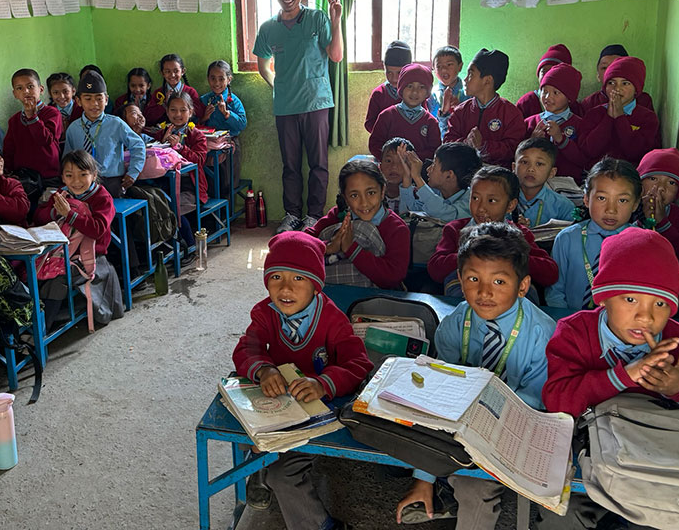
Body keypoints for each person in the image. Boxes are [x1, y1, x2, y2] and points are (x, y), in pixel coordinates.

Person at [538, 227, 679, 530]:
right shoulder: (575, 332)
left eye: (660, 303)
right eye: (630, 299)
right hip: (593, 458)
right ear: (603, 298)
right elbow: (557, 401)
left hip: (664, 464)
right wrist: (623, 376)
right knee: (561, 516)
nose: (646, 317)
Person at [397, 223, 556, 528]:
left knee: (473, 487)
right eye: (473, 279)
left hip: (514, 428)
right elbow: (440, 394)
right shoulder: (455, 324)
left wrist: (482, 421)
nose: (484, 292)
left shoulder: (542, 334)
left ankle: (455, 493)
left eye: (499, 281)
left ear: (523, 286)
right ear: (459, 279)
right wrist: (423, 477)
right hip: (458, 424)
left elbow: (533, 404)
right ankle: (434, 486)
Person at [233, 232, 372, 530]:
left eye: (298, 278)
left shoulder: (332, 319)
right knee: (245, 430)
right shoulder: (264, 313)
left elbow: (359, 364)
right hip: (278, 405)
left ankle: (317, 522)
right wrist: (264, 370)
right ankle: (258, 468)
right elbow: (247, 348)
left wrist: (324, 383)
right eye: (276, 277)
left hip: (319, 411)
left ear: (316, 284)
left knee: (282, 475)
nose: (285, 288)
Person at [254, 0, 342, 234]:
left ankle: (314, 216)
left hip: (316, 103)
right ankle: (292, 214)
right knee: (290, 165)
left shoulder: (317, 19)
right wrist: (277, 87)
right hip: (285, 107)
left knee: (318, 164)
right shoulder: (269, 28)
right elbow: (263, 65)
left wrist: (336, 21)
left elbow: (336, 55)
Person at [427, 166, 558, 297]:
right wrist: (472, 253)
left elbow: (550, 273)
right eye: (475, 198)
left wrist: (509, 256)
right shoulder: (456, 229)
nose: (481, 208)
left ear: (510, 205)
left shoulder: (520, 234)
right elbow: (435, 269)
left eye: (491, 201)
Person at [34, 150, 124, 330]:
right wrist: (55, 211)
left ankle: (42, 331)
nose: (76, 181)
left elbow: (97, 230)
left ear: (94, 175)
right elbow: (38, 216)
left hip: (90, 257)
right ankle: (34, 322)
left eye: (83, 175)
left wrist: (69, 214)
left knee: (56, 279)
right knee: (31, 273)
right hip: (61, 252)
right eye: (69, 175)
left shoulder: (102, 198)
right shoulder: (62, 194)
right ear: (62, 177)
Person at [545, 158, 641, 309]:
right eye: (602, 198)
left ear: (635, 204)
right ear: (586, 199)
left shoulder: (641, 244)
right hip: (570, 319)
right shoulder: (567, 239)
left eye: (622, 200)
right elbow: (555, 292)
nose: (611, 210)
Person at [305, 159, 411, 289]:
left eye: (371, 193)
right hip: (331, 292)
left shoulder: (397, 228)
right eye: (354, 195)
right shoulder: (338, 215)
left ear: (382, 191)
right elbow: (300, 243)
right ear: (345, 198)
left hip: (377, 297)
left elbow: (393, 277)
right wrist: (327, 247)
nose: (364, 203)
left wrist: (351, 248)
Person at [63, 72, 146, 198]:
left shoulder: (116, 124)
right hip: (81, 183)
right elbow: (67, 159)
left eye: (99, 98)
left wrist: (133, 172)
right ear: (78, 101)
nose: (94, 103)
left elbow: (138, 145)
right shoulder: (73, 129)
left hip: (111, 182)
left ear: (106, 100)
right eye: (88, 99)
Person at [445, 49, 525, 167]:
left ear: (487, 80)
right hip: (463, 172)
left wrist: (483, 146)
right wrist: (465, 143)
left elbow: (514, 149)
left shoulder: (511, 113)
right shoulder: (461, 111)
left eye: (471, 74)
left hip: (496, 174)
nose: (465, 79)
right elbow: (447, 142)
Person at [580, 57, 660, 166]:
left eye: (625, 83)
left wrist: (620, 117)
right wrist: (608, 118)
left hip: (631, 173)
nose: (617, 88)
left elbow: (635, 153)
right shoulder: (594, 114)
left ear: (636, 89)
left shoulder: (647, 118)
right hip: (596, 173)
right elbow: (589, 150)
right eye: (611, 83)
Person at [524, 62, 589, 181]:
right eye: (544, 91)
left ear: (569, 98)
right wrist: (532, 141)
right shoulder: (530, 123)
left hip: (568, 183)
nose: (547, 97)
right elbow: (518, 156)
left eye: (555, 92)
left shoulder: (580, 125)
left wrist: (561, 139)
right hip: (534, 183)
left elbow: (582, 160)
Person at [636, 148, 679, 266]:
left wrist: (662, 224)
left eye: (671, 183)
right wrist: (641, 220)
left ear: (677, 193)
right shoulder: (625, 209)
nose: (661, 188)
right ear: (639, 183)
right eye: (653, 179)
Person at [368, 63, 441, 161]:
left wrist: (410, 157)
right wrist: (393, 158)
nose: (415, 92)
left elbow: (435, 150)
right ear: (401, 89)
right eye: (410, 86)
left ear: (427, 93)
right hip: (390, 168)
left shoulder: (431, 122)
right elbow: (375, 144)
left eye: (421, 87)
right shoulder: (386, 116)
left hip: (419, 169)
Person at [149, 90, 209, 210]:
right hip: (164, 183)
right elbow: (151, 157)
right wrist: (162, 144)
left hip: (189, 186)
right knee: (155, 204)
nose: (178, 114)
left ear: (190, 112)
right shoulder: (161, 134)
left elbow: (199, 160)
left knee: (170, 207)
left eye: (183, 110)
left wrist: (180, 147)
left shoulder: (197, 135)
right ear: (167, 112)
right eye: (173, 110)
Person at [3, 68, 63, 184]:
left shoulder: (52, 113)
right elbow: (9, 150)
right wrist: (8, 171)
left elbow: (46, 139)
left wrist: (32, 117)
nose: (26, 91)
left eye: (30, 86)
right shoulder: (14, 120)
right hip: (23, 177)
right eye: (19, 88)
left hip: (48, 176)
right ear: (15, 94)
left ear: (41, 89)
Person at [395, 141, 481, 220]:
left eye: (434, 165)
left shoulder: (471, 200)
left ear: (449, 175)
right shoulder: (436, 191)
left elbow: (444, 214)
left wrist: (417, 177)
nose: (428, 169)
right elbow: (410, 210)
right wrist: (407, 176)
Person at [199, 60, 247, 192]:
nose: (216, 83)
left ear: (229, 79)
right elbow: (194, 123)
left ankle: (227, 205)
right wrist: (204, 118)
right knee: (210, 183)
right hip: (208, 145)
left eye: (221, 79)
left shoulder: (233, 101)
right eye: (213, 78)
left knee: (227, 183)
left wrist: (227, 114)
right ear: (208, 79)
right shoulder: (204, 100)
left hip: (229, 145)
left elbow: (242, 124)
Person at [513, 138, 577, 226]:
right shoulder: (502, 199)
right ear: (514, 167)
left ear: (552, 172)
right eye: (524, 162)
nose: (530, 169)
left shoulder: (563, 207)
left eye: (539, 164)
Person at [577, 44, 655, 114]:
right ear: (598, 76)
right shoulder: (589, 103)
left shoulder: (643, 101)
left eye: (616, 67)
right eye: (604, 68)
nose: (611, 71)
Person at [364, 40, 412, 132]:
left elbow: (424, 119)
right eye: (389, 72)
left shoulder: (416, 93)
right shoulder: (378, 94)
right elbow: (369, 123)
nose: (394, 78)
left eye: (399, 73)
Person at [515, 44, 573, 119]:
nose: (547, 76)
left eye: (552, 73)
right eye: (543, 72)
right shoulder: (526, 102)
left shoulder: (572, 106)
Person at [144, 53, 204, 125]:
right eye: (167, 71)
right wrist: (164, 104)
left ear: (183, 71)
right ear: (162, 73)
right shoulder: (158, 94)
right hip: (162, 130)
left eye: (176, 71)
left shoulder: (190, 92)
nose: (172, 75)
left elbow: (199, 114)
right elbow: (149, 117)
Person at [426, 45, 468, 138]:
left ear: (460, 66)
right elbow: (431, 124)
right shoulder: (432, 95)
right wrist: (443, 112)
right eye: (439, 66)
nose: (444, 69)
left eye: (449, 64)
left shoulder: (468, 91)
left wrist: (460, 109)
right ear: (434, 69)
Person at [46, 72, 83, 138]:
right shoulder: (48, 113)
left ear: (73, 91)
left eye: (65, 91)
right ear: (50, 93)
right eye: (56, 92)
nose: (62, 96)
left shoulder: (82, 109)